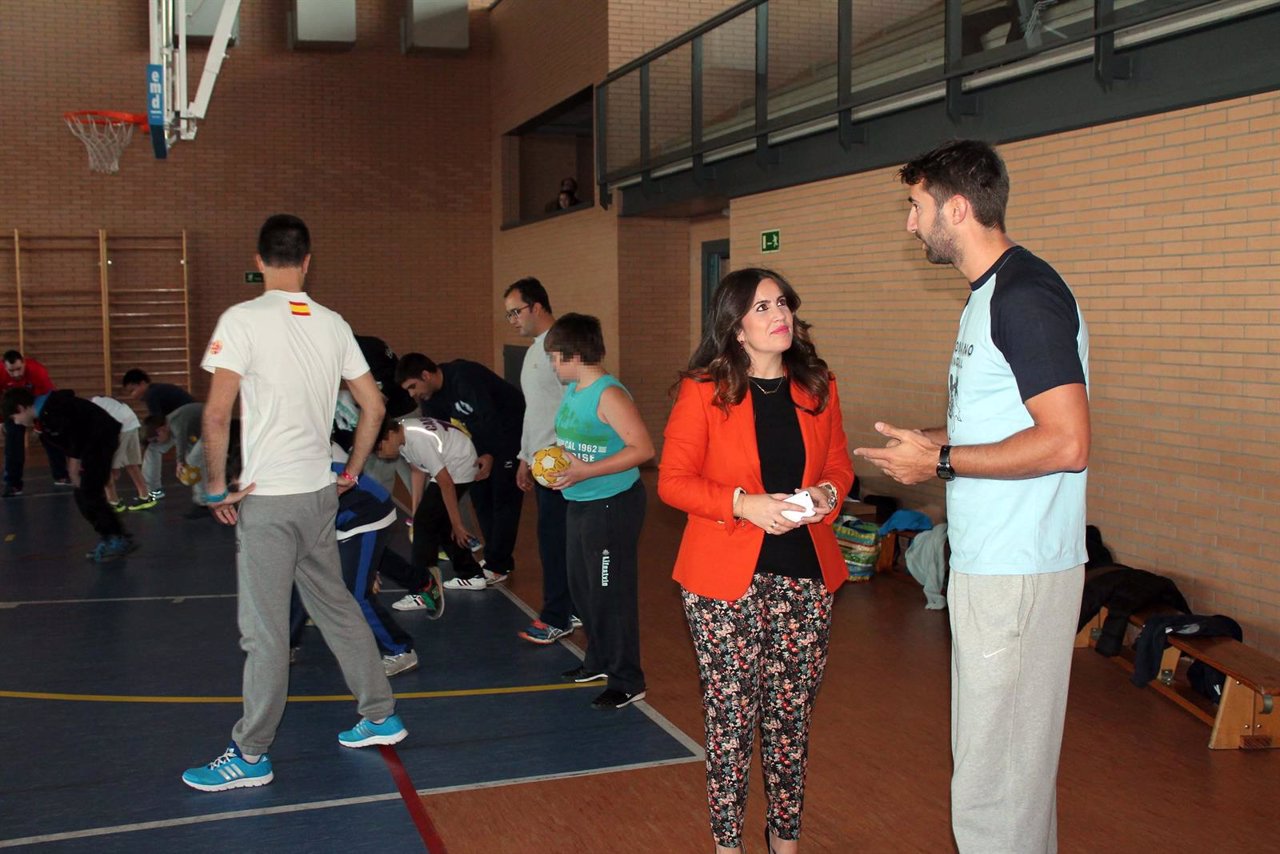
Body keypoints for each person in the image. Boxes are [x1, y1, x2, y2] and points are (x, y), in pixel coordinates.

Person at [854, 139, 1090, 854]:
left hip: (1019, 568)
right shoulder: (989, 296)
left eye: (916, 207)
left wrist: (945, 458)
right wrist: (928, 446)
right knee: (1005, 772)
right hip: (993, 563)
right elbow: (1000, 423)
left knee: (996, 780)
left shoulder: (1025, 296)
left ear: (957, 208)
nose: (910, 224)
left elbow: (1067, 442)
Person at [181, 213, 406, 793]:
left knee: (263, 631)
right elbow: (374, 408)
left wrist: (213, 487)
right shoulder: (333, 323)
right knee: (335, 606)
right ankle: (380, 715)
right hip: (317, 495)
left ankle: (251, 753)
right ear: (308, 261)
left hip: (271, 503)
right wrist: (353, 471)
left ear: (260, 262)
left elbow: (214, 413)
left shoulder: (242, 318)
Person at [658, 268, 854, 854]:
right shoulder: (704, 390)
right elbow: (673, 482)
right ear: (736, 327)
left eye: (784, 303)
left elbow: (840, 466)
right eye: (763, 306)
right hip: (722, 585)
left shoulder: (818, 386)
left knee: (790, 723)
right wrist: (743, 504)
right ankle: (726, 844)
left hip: (806, 580)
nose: (780, 314)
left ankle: (783, 837)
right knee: (730, 724)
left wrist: (828, 495)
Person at [544, 313, 654, 710]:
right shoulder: (574, 390)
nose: (553, 366)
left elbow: (643, 450)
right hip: (578, 501)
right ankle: (598, 660)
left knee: (612, 594)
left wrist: (585, 470)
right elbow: (578, 442)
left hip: (612, 505)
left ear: (575, 353)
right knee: (583, 589)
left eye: (556, 357)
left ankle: (628, 679)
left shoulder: (609, 394)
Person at [396, 352, 525, 590]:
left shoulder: (465, 377)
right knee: (481, 497)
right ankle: (494, 557)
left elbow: (491, 416)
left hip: (510, 432)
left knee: (503, 499)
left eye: (413, 386)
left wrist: (490, 453)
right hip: (480, 441)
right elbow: (442, 435)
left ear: (426, 375)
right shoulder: (431, 399)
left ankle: (499, 564)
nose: (412, 394)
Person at [503, 277, 576, 645]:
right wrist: (523, 457)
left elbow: (577, 403)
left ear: (536, 306)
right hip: (541, 461)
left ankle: (556, 616)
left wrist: (570, 456)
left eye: (516, 311)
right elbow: (537, 411)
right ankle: (570, 607)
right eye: (509, 315)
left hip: (562, 465)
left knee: (555, 541)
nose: (513, 320)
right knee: (558, 540)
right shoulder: (534, 350)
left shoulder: (560, 345)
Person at [2, 387, 137, 562]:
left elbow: (77, 436)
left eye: (15, 418)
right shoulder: (44, 418)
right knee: (83, 495)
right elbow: (66, 442)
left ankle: (117, 538)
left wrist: (74, 465)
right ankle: (111, 535)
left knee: (89, 492)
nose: (18, 423)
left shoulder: (54, 408)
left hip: (101, 440)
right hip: (92, 444)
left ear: (20, 408)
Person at [374, 412, 481, 609]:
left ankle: (423, 592)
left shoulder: (417, 439)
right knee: (430, 520)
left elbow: (446, 483)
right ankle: (471, 574)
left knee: (428, 523)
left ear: (388, 435)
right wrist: (416, 512)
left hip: (459, 466)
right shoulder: (404, 434)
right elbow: (417, 471)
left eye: (380, 449)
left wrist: (457, 524)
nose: (382, 455)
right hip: (453, 462)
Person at [1, 350, 71, 496]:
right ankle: (13, 484)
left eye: (19, 369)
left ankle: (61, 475)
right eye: (11, 371)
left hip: (40, 402)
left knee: (51, 436)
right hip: (15, 407)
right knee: (13, 443)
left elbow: (46, 399)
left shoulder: (37, 371)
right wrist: (1, 421)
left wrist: (39, 428)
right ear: (4, 367)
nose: (16, 374)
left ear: (24, 362)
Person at [123, 368, 195, 501]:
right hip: (189, 422)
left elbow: (157, 423)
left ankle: (153, 490)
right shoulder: (157, 391)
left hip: (186, 423)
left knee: (154, 449)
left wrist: (147, 440)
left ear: (142, 383)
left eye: (133, 390)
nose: (132, 396)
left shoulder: (152, 394)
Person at [90, 394, 154, 511]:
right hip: (132, 422)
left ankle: (113, 502)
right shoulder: (97, 401)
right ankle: (145, 496)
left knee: (107, 467)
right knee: (131, 464)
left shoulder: (87, 411)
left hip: (121, 426)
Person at [143, 402, 206, 515]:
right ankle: (201, 501)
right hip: (198, 431)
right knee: (191, 460)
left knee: (192, 461)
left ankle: (203, 501)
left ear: (160, 430)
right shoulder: (169, 425)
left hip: (214, 429)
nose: (157, 443)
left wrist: (180, 462)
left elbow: (180, 441)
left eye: (156, 440)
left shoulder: (175, 423)